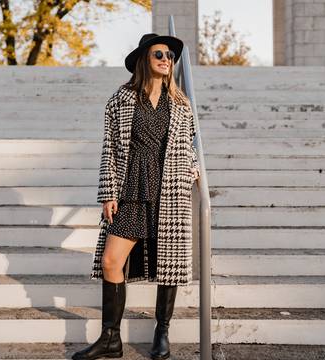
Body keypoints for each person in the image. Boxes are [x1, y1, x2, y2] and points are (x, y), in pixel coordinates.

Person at [72, 33, 200, 360]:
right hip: (131, 188)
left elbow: (190, 145)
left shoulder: (182, 105)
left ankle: (162, 332)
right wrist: (107, 192)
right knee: (111, 261)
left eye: (170, 55)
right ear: (145, 58)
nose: (166, 59)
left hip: (169, 187)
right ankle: (110, 338)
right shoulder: (121, 99)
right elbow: (110, 149)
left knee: (167, 264)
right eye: (159, 53)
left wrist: (193, 167)